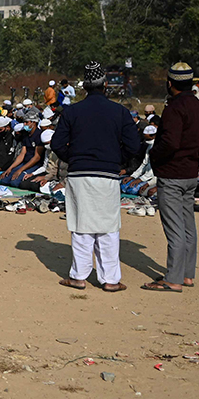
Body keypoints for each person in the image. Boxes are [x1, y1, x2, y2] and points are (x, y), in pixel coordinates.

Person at [50, 62, 142, 292]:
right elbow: (134, 145)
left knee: (81, 226)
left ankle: (79, 277)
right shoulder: (119, 111)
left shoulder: (72, 111)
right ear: (106, 85)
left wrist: (76, 157)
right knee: (108, 228)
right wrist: (118, 161)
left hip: (80, 173)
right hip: (108, 175)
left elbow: (57, 144)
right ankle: (110, 280)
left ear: (84, 86)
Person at [143, 62, 199, 292]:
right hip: (191, 172)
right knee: (188, 225)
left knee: (174, 228)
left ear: (170, 83)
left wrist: (155, 155)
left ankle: (173, 279)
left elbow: (170, 142)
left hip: (172, 173)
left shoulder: (174, 108)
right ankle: (187, 275)